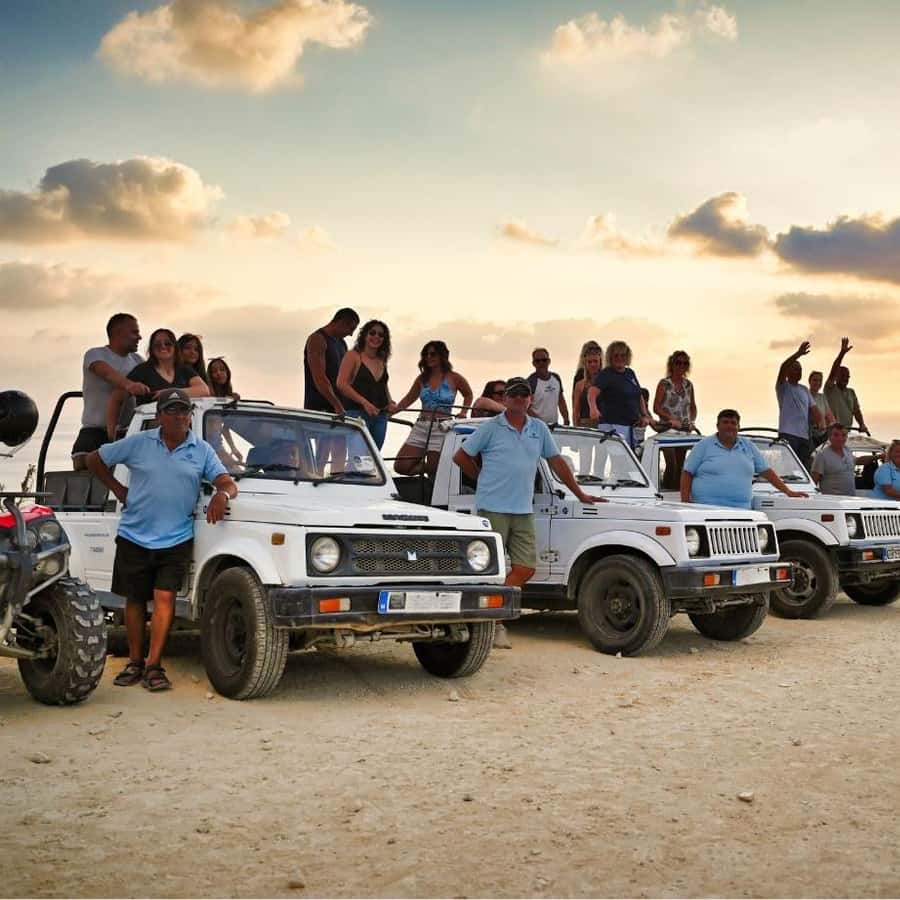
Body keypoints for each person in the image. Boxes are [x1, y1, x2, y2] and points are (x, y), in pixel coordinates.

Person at [86, 389, 237, 692]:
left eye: (184, 411)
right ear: (159, 416)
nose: (180, 416)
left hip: (176, 536)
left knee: (164, 598)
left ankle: (154, 666)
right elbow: (94, 458)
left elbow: (226, 481)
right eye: (172, 410)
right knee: (134, 600)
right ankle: (134, 662)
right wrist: (118, 489)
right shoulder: (139, 443)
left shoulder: (202, 450)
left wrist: (222, 494)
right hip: (134, 534)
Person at [453, 377, 603, 648]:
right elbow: (461, 456)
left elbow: (556, 462)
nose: (519, 399)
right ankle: (493, 624)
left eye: (524, 395)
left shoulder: (539, 428)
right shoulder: (491, 427)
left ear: (530, 399)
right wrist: (481, 478)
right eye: (513, 395)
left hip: (523, 509)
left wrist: (580, 494)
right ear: (505, 399)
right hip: (492, 507)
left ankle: (490, 617)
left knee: (526, 568)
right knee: (489, 568)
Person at [681, 409, 808, 509]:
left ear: (738, 427)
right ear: (717, 426)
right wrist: (686, 503)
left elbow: (766, 471)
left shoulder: (748, 446)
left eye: (733, 423)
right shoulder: (703, 445)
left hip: (742, 511)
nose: (729, 426)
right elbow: (687, 473)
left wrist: (788, 492)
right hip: (706, 510)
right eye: (725, 422)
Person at [72, 313, 148, 470]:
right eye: (134, 332)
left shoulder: (138, 360)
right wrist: (129, 385)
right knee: (83, 465)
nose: (139, 337)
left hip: (127, 432)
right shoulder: (95, 354)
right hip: (95, 430)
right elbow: (106, 373)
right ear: (118, 333)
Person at [106, 328, 209, 440]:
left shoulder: (183, 369)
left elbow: (204, 390)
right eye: (157, 344)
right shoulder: (142, 370)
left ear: (175, 347)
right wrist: (111, 434)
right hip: (151, 435)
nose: (163, 346)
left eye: (167, 343)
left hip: (182, 434)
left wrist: (171, 393)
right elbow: (117, 398)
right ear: (151, 348)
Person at [394, 341, 473, 478]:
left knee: (434, 469)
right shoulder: (422, 378)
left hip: (442, 427)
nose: (429, 357)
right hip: (421, 426)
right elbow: (408, 399)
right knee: (401, 466)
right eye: (426, 354)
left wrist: (463, 412)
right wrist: (390, 412)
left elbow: (468, 394)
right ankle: (436, 468)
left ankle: (436, 471)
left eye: (433, 354)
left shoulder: (455, 378)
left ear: (443, 355)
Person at [336, 319, 397, 449]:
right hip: (358, 415)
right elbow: (341, 384)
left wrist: (390, 402)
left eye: (381, 335)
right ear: (364, 335)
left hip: (380, 416)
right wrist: (365, 403)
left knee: (374, 458)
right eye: (372, 333)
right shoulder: (353, 356)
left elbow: (383, 386)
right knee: (358, 457)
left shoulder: (382, 359)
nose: (376, 337)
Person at [586, 340, 651, 449]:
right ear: (610, 357)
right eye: (616, 355)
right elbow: (592, 391)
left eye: (622, 355)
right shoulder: (606, 374)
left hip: (633, 426)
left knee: (635, 455)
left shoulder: (630, 373)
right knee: (620, 457)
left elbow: (638, 395)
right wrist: (593, 408)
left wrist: (645, 415)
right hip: (614, 426)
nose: (619, 358)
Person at [775, 341, 823, 469]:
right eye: (795, 368)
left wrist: (820, 422)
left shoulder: (804, 389)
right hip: (788, 435)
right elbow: (783, 366)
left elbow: (814, 409)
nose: (799, 371)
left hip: (804, 436)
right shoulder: (783, 387)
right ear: (788, 372)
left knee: (804, 468)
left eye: (800, 369)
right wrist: (798, 354)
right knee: (789, 469)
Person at [303, 308, 359, 415]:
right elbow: (319, 378)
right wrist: (336, 405)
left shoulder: (342, 343)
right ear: (341, 323)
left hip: (340, 411)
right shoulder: (317, 340)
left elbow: (346, 379)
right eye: (351, 329)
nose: (351, 334)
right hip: (320, 410)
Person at [825, 337, 870, 434]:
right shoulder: (830, 389)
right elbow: (834, 370)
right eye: (842, 376)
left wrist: (862, 424)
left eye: (847, 376)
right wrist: (842, 353)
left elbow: (856, 411)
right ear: (836, 377)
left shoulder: (851, 392)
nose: (845, 378)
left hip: (846, 432)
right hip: (831, 433)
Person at [654, 351, 697, 432]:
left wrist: (691, 421)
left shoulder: (688, 385)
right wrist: (671, 419)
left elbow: (693, 407)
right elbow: (656, 408)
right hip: (668, 430)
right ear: (672, 365)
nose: (682, 365)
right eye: (678, 363)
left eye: (685, 363)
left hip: (685, 430)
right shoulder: (664, 384)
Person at [811, 424, 856, 496]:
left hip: (851, 500)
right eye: (836, 435)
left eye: (843, 435)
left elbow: (857, 461)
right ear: (829, 437)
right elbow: (814, 481)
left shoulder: (848, 451)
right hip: (832, 501)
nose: (840, 438)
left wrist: (875, 457)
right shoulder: (822, 455)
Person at [527, 348, 569, 426]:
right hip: (536, 426)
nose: (541, 363)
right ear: (533, 363)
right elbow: (526, 408)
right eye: (538, 361)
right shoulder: (530, 382)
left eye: (544, 360)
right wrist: (541, 424)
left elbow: (561, 401)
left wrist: (566, 420)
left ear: (549, 361)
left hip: (554, 425)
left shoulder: (556, 378)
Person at [572, 347, 601, 427]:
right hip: (585, 424)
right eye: (589, 362)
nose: (593, 364)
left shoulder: (606, 382)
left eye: (595, 361)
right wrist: (576, 428)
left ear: (600, 363)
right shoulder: (580, 385)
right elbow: (576, 411)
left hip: (603, 424)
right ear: (585, 364)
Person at [808, 370, 835, 448]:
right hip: (809, 435)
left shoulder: (822, 397)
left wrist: (833, 424)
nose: (817, 383)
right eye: (815, 380)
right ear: (809, 381)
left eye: (820, 381)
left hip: (823, 435)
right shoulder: (805, 395)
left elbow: (829, 415)